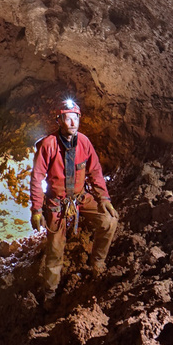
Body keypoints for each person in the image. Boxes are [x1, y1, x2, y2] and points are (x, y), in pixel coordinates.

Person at [29, 97, 118, 300]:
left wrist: (104, 198)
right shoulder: (48, 145)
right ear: (59, 120)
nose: (72, 123)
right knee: (55, 249)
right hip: (56, 204)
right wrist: (36, 210)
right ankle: (50, 293)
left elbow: (95, 171)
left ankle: (97, 262)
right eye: (68, 119)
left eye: (75, 119)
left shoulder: (84, 142)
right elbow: (37, 178)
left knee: (109, 221)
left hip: (80, 198)